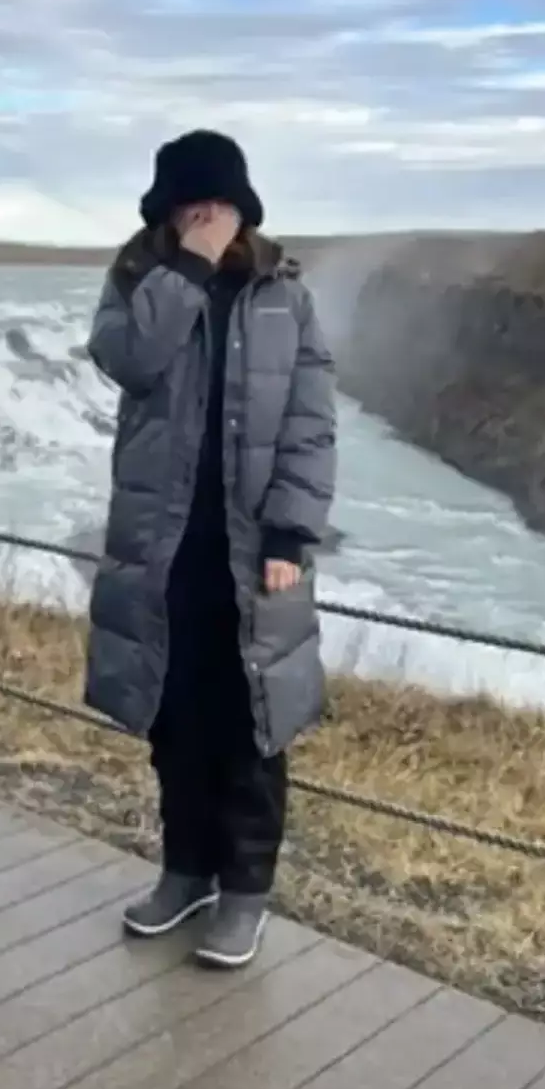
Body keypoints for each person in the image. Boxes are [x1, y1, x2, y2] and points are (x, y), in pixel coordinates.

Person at [86, 130, 337, 969]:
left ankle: (244, 893)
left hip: (251, 550)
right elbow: (129, 360)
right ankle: (184, 870)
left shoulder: (283, 296)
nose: (210, 220)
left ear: (245, 208)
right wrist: (185, 271)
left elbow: (309, 421)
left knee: (251, 724)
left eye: (222, 207)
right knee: (175, 718)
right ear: (168, 212)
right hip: (164, 546)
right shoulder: (137, 282)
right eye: (194, 207)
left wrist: (292, 533)